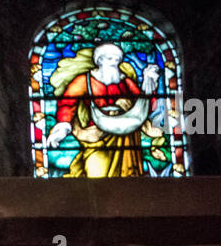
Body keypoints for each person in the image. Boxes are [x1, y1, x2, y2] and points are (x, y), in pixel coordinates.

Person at [46, 42, 160, 178]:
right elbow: (67, 102)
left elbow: (143, 106)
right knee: (95, 173)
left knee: (128, 178)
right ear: (99, 60)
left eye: (117, 59)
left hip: (126, 135)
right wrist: (63, 127)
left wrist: (149, 84)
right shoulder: (84, 80)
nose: (114, 63)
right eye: (110, 59)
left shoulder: (125, 81)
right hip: (96, 135)